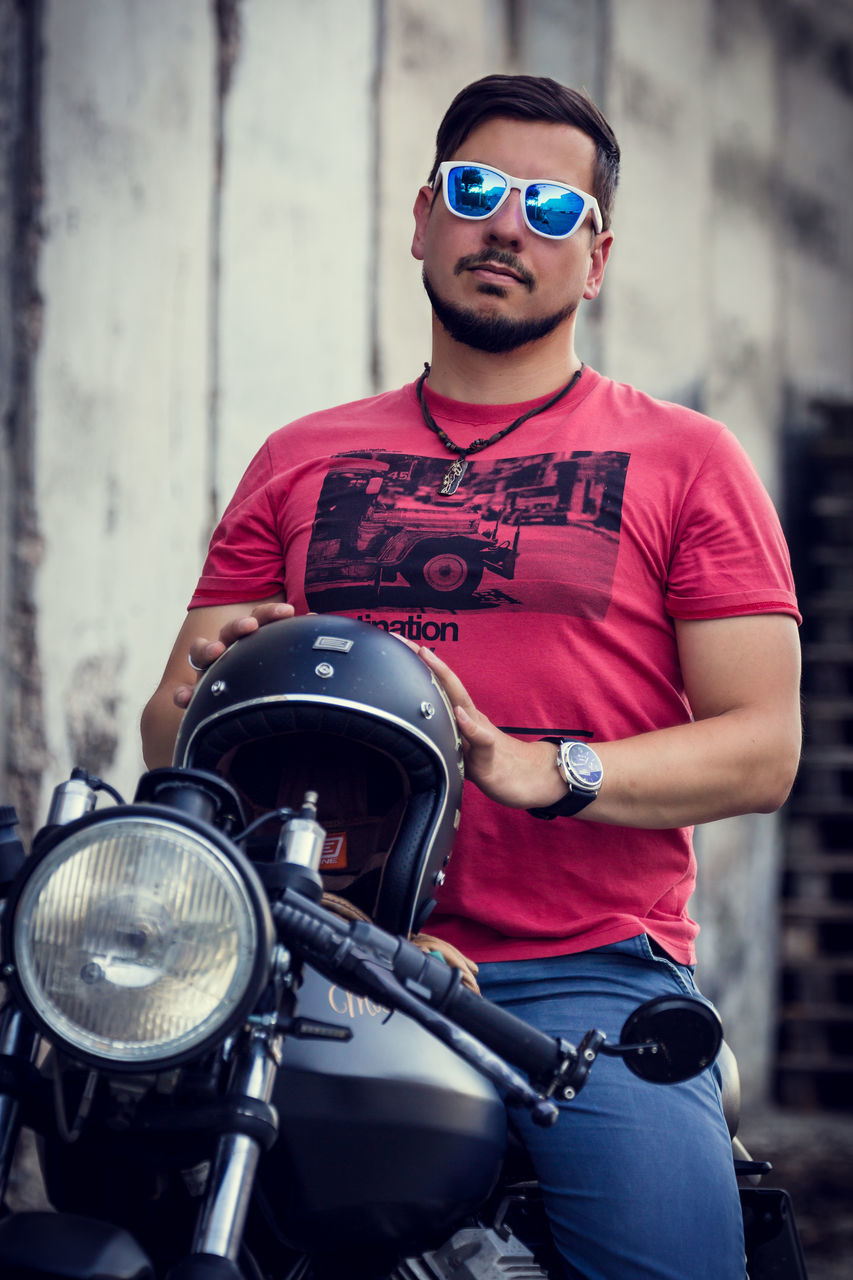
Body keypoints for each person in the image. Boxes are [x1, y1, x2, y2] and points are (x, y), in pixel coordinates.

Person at [142, 74, 802, 1279]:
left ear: (594, 259)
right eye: (477, 190)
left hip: (583, 969)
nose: (508, 225)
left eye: (552, 209)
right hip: (315, 948)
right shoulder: (299, 457)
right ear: (422, 217)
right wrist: (206, 688)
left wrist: (539, 766)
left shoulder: (687, 458)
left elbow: (762, 746)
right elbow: (171, 727)